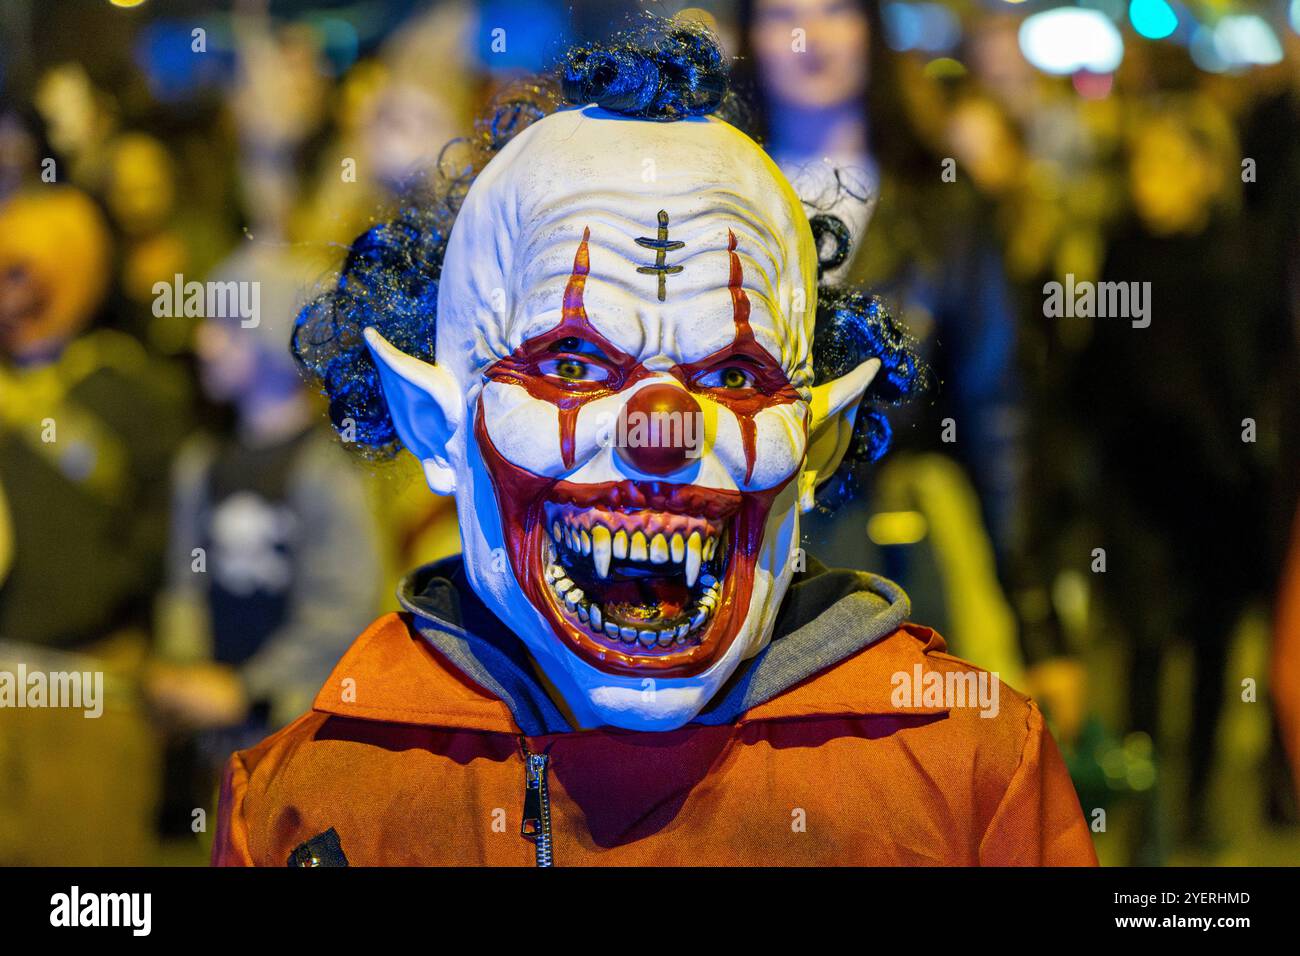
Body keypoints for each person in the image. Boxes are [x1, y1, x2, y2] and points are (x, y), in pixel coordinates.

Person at [213, 19, 1095, 866]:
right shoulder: (313, 807)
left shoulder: (969, 778)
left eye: (736, 378)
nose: (661, 428)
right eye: (570, 365)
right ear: (432, 424)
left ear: (820, 440)